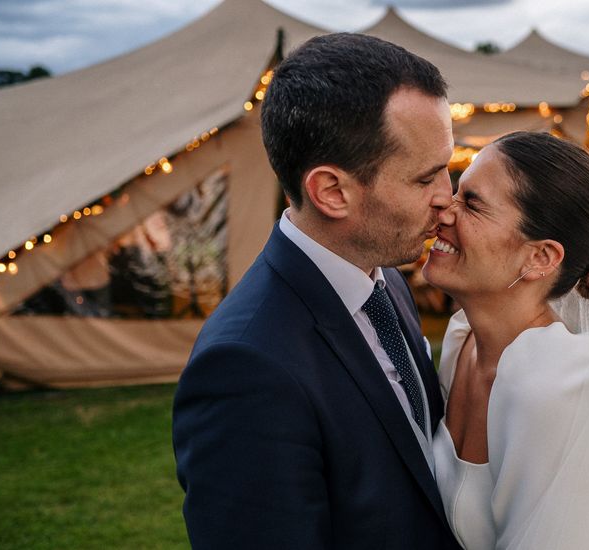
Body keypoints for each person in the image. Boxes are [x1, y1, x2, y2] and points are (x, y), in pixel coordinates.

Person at [172, 34, 461, 549]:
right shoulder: (246, 366)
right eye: (425, 179)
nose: (449, 199)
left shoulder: (386, 281)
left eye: (448, 168)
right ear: (332, 191)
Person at [424, 132, 589, 549]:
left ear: (540, 258)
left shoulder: (563, 384)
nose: (444, 211)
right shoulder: (462, 341)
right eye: (457, 192)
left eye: (472, 203)